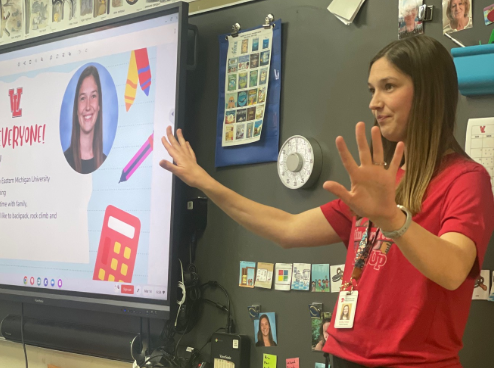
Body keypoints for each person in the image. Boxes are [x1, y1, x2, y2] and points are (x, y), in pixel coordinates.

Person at [159, 35, 494, 367]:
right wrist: (203, 181)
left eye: (389, 86)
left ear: (428, 93)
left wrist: (392, 219)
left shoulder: (465, 179)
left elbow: (453, 271)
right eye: (371, 90)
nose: (374, 103)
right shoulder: (378, 183)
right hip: (343, 356)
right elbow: (286, 229)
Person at [64, 65, 107, 174]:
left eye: (93, 96)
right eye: (83, 98)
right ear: (76, 109)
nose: (88, 106)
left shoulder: (105, 162)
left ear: (99, 105)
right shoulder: (64, 161)